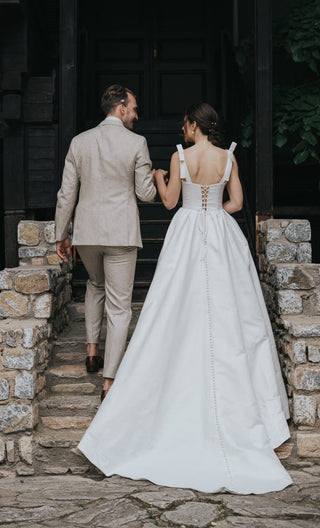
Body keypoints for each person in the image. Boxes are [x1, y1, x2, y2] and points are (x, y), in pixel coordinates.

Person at [77, 102, 294, 494]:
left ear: (195, 126)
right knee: (234, 315)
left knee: (174, 310)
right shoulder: (228, 156)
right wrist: (215, 214)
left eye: (185, 125)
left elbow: (170, 202)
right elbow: (238, 203)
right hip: (221, 233)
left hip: (187, 232)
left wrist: (161, 179)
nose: (183, 130)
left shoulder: (181, 157)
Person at [55, 84, 165, 402]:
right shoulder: (137, 143)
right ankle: (109, 383)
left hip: (87, 233)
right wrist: (157, 178)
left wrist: (61, 233)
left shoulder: (79, 142)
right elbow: (145, 194)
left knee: (94, 284)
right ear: (120, 108)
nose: (136, 114)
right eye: (133, 108)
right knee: (120, 307)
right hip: (121, 233)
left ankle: (92, 351)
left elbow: (66, 194)